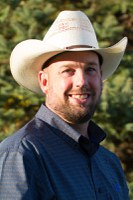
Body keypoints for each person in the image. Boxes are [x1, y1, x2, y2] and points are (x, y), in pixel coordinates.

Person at [0, 10, 129, 200]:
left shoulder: (109, 163)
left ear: (101, 78)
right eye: (68, 70)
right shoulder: (21, 155)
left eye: (90, 69)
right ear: (45, 82)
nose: (81, 81)